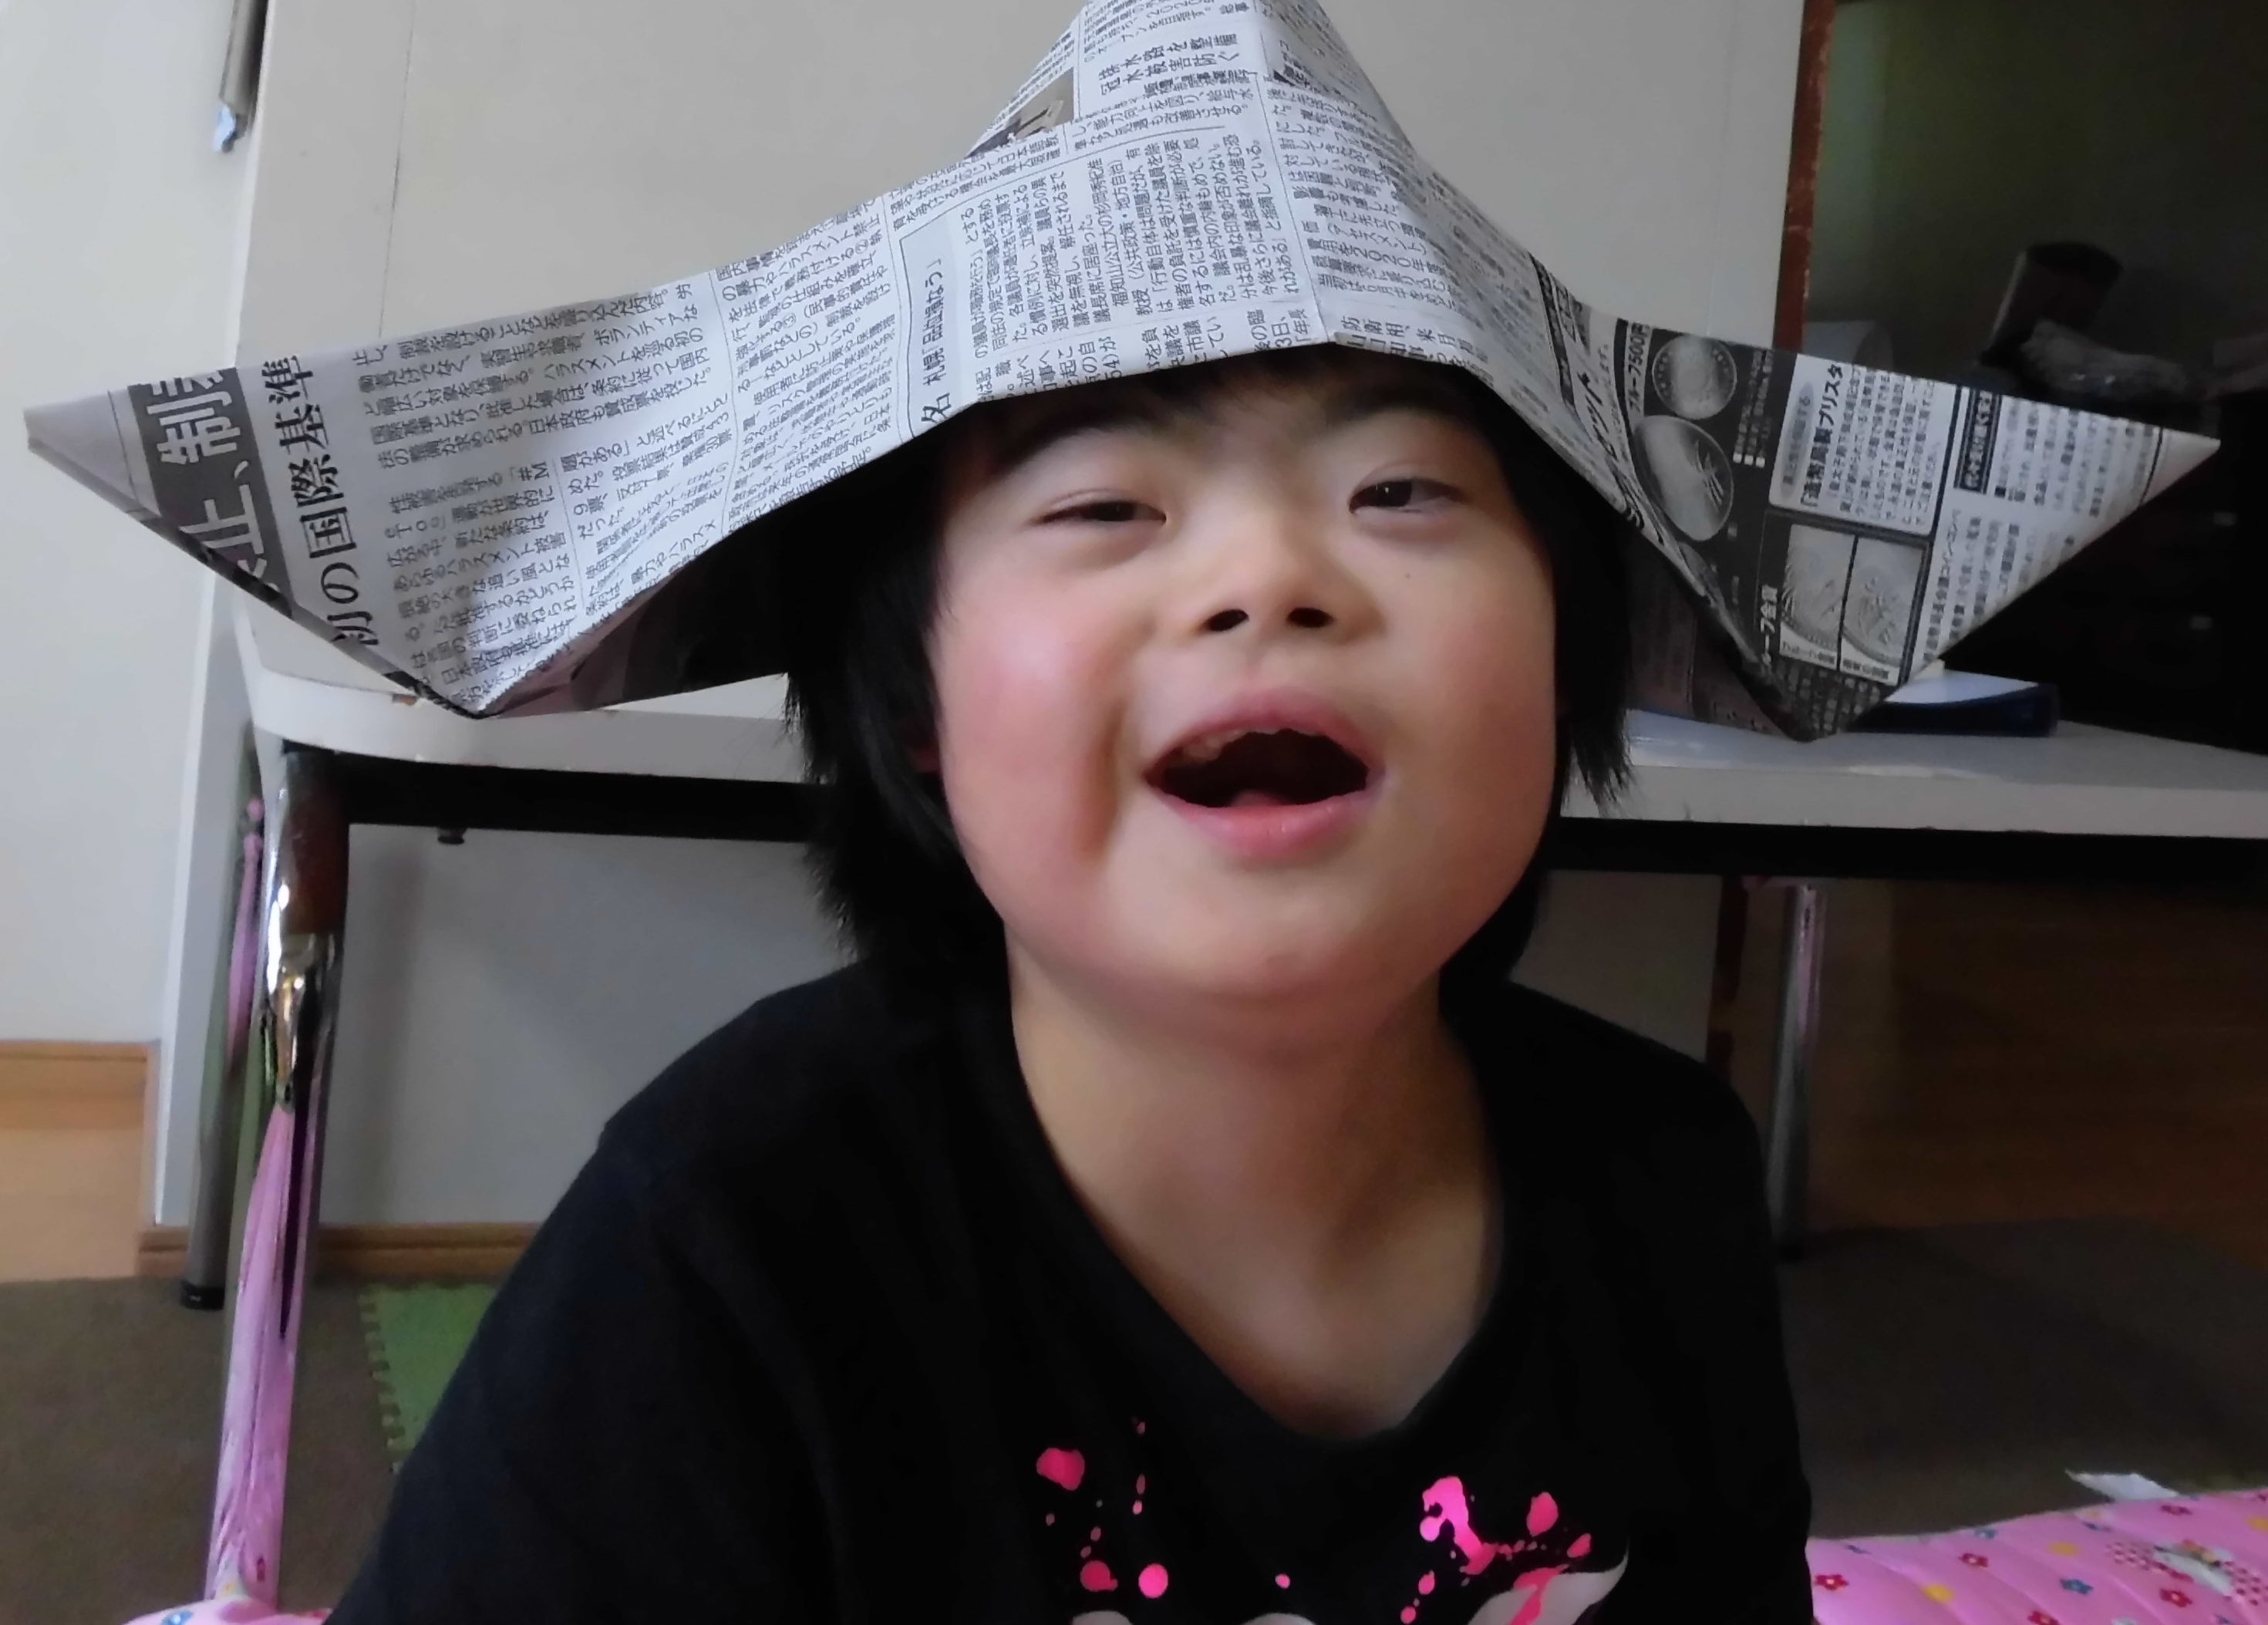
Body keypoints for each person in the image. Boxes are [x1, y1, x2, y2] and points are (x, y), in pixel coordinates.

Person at [326, 346, 1813, 1624]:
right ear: (914, 701)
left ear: (1563, 662)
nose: (1269, 578)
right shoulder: (728, 1231)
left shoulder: (1663, 1176)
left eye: (1401, 490)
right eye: (1106, 505)